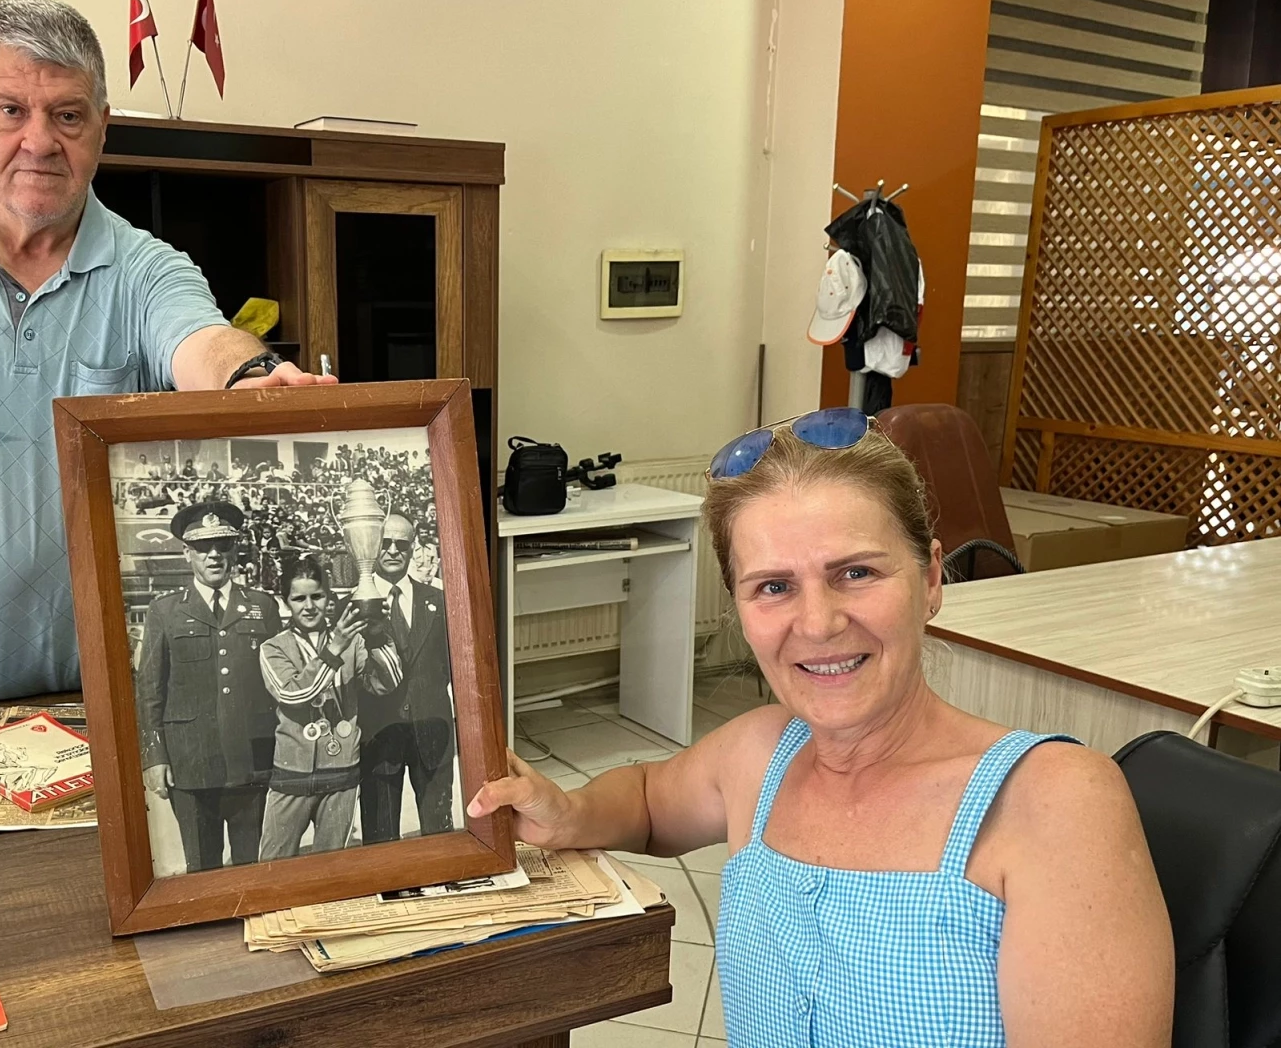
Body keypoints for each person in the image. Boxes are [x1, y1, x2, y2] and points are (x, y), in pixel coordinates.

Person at [468, 410, 1173, 1047]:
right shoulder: (758, 752)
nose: (817, 624)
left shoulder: (1053, 802)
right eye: (773, 586)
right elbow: (651, 798)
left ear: (931, 579)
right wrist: (569, 813)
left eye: (856, 572)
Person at [0, 0, 334, 734]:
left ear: (102, 127)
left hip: (108, 702)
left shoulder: (148, 269)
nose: (40, 141)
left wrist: (251, 381)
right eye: (11, 110)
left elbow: (202, 340)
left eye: (67, 115)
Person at [137, 501, 281, 871]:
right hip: (191, 762)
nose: (214, 555)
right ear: (187, 553)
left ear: (235, 550)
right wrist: (155, 757)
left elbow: (279, 683)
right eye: (203, 547)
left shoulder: (263, 607)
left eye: (223, 545)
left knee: (252, 865)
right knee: (202, 869)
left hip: (252, 761)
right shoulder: (165, 611)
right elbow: (150, 690)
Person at [257, 557, 402, 859]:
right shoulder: (273, 647)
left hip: (341, 775)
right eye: (299, 599)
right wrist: (335, 647)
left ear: (329, 597)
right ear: (286, 602)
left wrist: (376, 636)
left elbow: (388, 683)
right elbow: (294, 694)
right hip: (292, 775)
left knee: (333, 866)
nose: (309, 606)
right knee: (274, 865)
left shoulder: (353, 642)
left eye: (317, 596)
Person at [359, 513, 456, 842]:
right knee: (381, 840)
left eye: (401, 544)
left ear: (413, 548)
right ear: (373, 547)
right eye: (385, 543)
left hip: (431, 732)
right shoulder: (354, 605)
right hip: (380, 738)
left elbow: (449, 666)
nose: (392, 550)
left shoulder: (437, 601)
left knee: (440, 834)